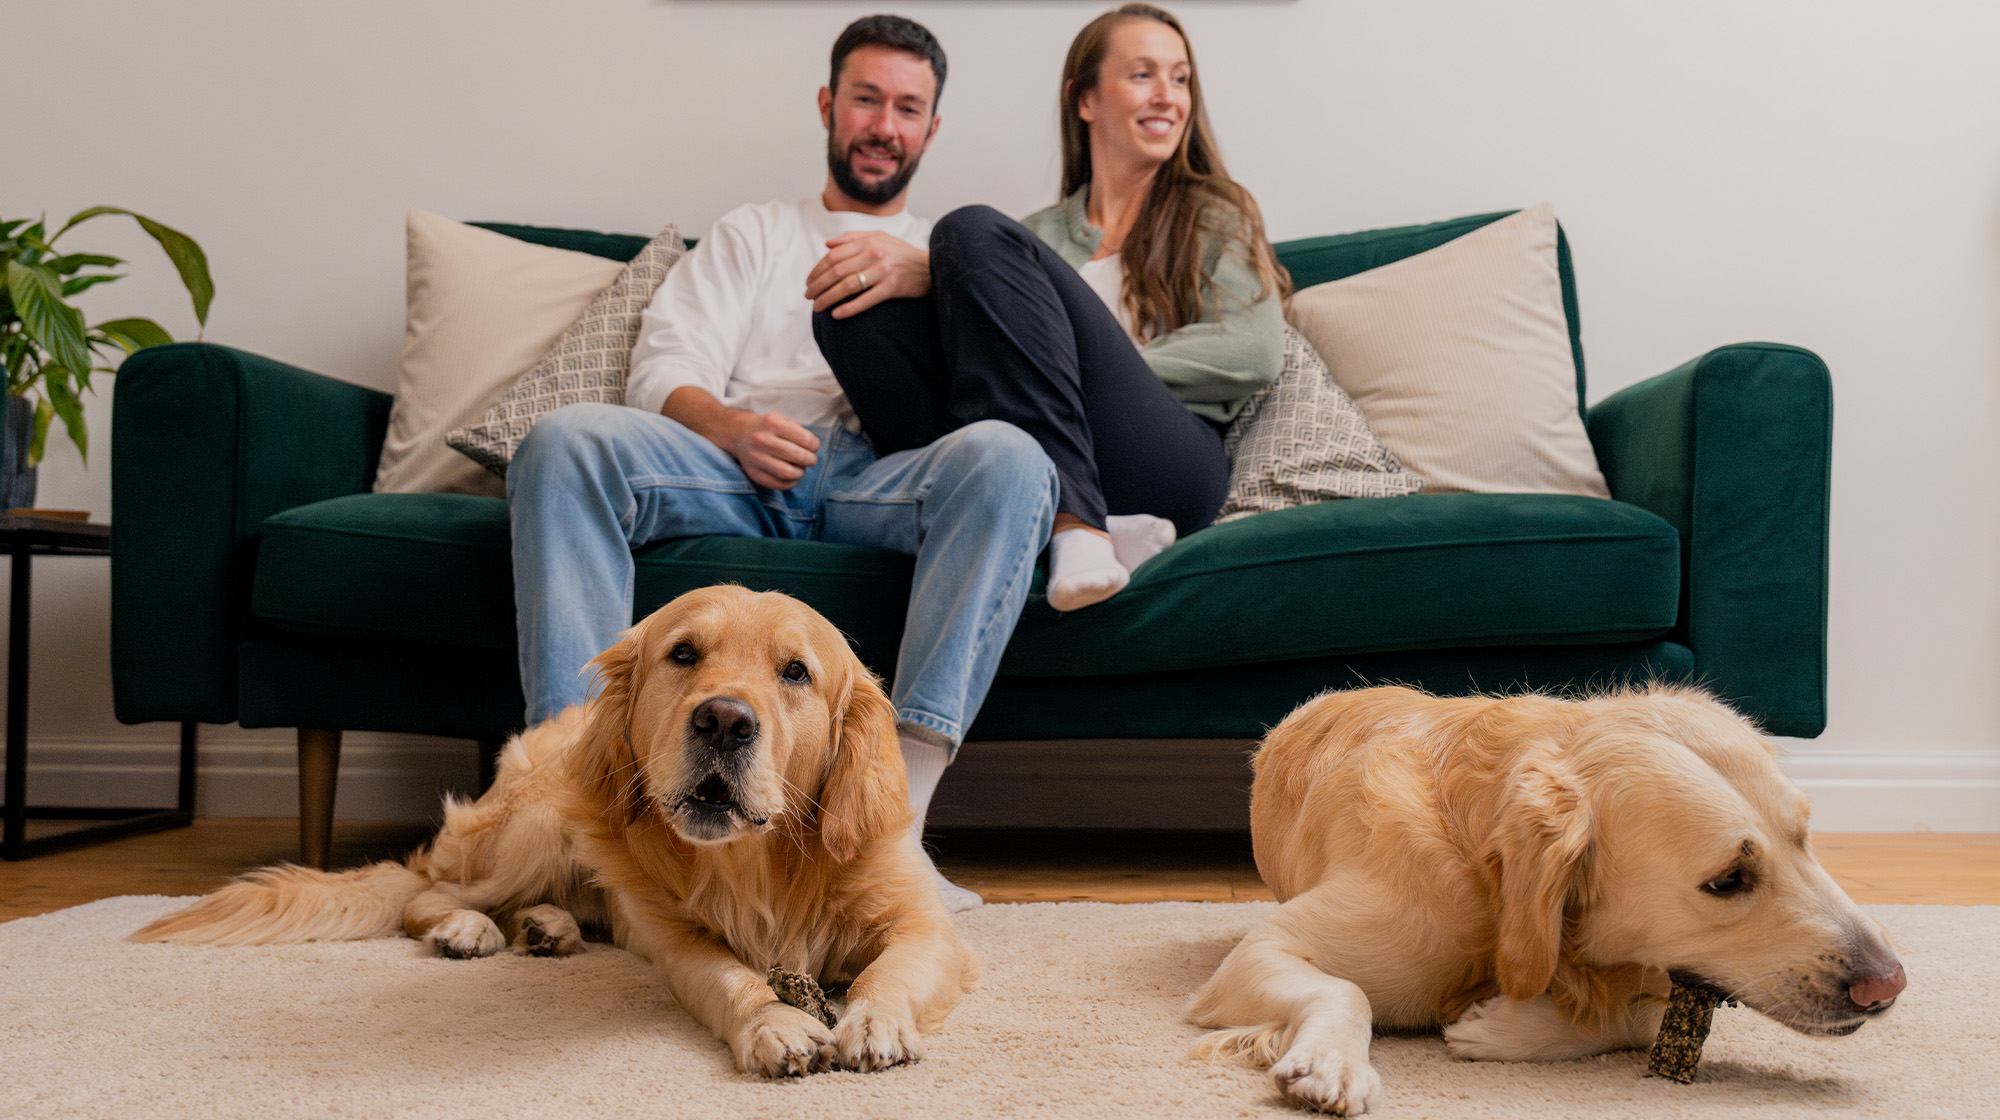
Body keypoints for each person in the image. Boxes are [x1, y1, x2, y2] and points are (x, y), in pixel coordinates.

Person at [509, 15, 1049, 913]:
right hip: (733, 472)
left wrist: (933, 275)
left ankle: (900, 825)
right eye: (867, 99)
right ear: (829, 104)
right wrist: (727, 426)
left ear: (932, 129)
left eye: (907, 107)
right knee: (564, 442)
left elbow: (1006, 394)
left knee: (1012, 459)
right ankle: (569, 815)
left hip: (883, 479)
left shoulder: (956, 258)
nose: (884, 123)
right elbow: (664, 365)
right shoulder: (754, 232)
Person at [811, 2, 1288, 612]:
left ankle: (1075, 525)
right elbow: (978, 359)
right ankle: (1084, 525)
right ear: (1085, 99)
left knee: (967, 229)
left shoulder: (1215, 212)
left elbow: (1252, 350)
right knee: (849, 311)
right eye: (1143, 75)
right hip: (1052, 452)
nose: (1168, 95)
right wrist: (947, 283)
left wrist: (1071, 363)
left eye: (1180, 78)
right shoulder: (1034, 236)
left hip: (1165, 458)